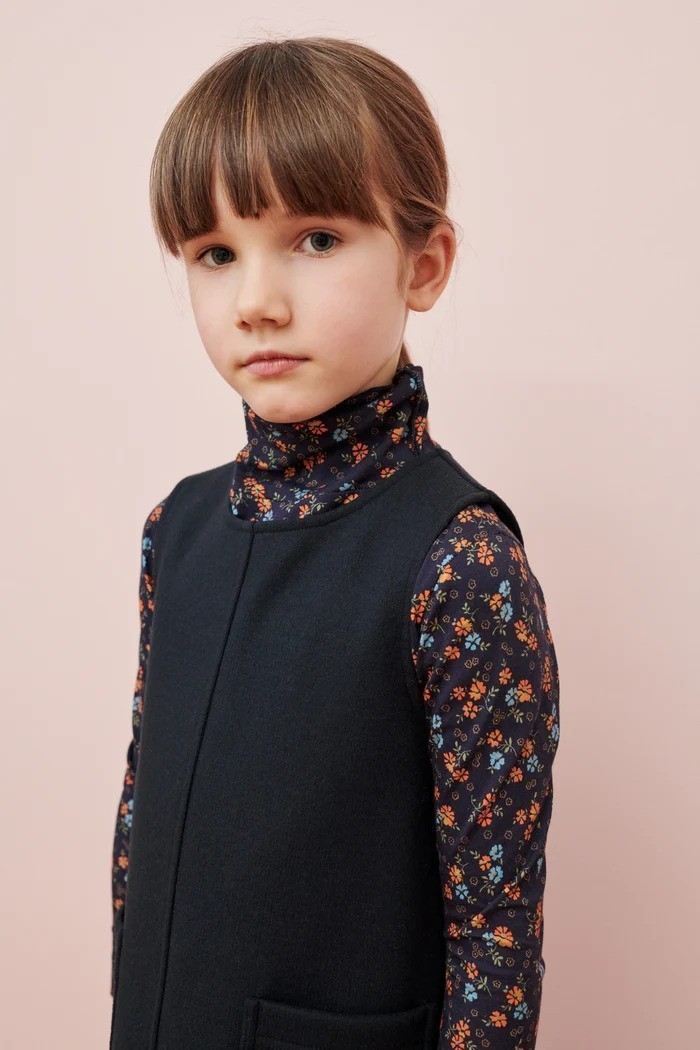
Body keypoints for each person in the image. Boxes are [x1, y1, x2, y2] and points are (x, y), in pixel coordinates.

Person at [109, 36, 560, 1050]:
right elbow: (140, 832)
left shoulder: (459, 563)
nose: (255, 303)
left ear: (423, 264)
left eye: (314, 239)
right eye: (215, 254)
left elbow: (494, 936)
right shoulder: (176, 531)